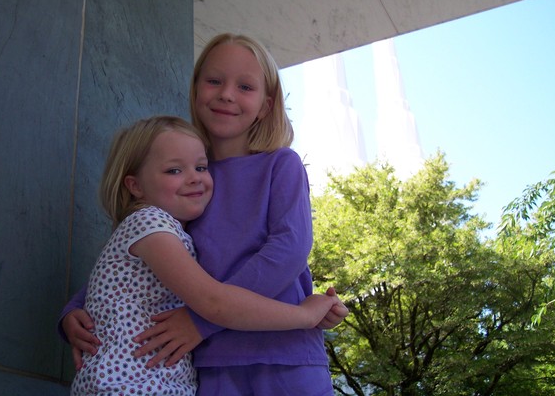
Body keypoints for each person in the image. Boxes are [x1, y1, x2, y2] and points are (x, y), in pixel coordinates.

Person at [61, 34, 349, 395]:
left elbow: (289, 250)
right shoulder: (186, 178)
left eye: (245, 86)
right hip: (207, 362)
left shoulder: (281, 164)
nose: (227, 93)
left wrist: (201, 320)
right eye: (214, 80)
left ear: (265, 105)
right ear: (196, 89)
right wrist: (74, 310)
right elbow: (146, 253)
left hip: (283, 352)